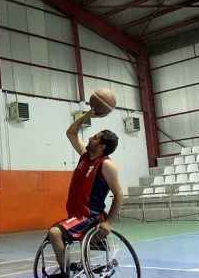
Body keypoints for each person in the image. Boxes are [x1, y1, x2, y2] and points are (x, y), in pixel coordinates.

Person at [47, 109, 124, 278]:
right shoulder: (85, 155)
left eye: (95, 137)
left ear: (102, 147)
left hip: (90, 216)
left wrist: (109, 222)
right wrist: (89, 115)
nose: (90, 138)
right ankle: (67, 269)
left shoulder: (106, 165)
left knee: (54, 232)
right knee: (55, 234)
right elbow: (71, 133)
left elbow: (119, 195)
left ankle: (65, 274)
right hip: (75, 215)